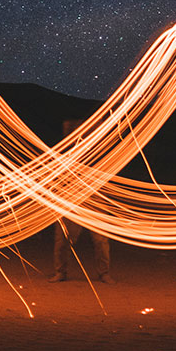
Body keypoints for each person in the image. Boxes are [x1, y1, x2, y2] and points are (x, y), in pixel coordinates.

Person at [48, 118, 114, 283]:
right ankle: (61, 271)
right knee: (63, 237)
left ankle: (103, 273)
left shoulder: (97, 152)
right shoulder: (65, 154)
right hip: (70, 197)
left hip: (95, 197)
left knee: (100, 239)